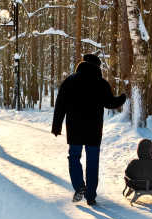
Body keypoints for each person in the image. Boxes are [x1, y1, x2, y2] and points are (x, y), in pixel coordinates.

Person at [51, 54, 126, 206]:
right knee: (92, 161)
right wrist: (122, 98)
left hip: (75, 129)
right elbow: (110, 103)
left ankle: (79, 187)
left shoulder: (70, 81)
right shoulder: (101, 83)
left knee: (74, 157)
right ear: (97, 66)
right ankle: (90, 196)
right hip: (94, 129)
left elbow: (60, 105)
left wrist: (56, 126)